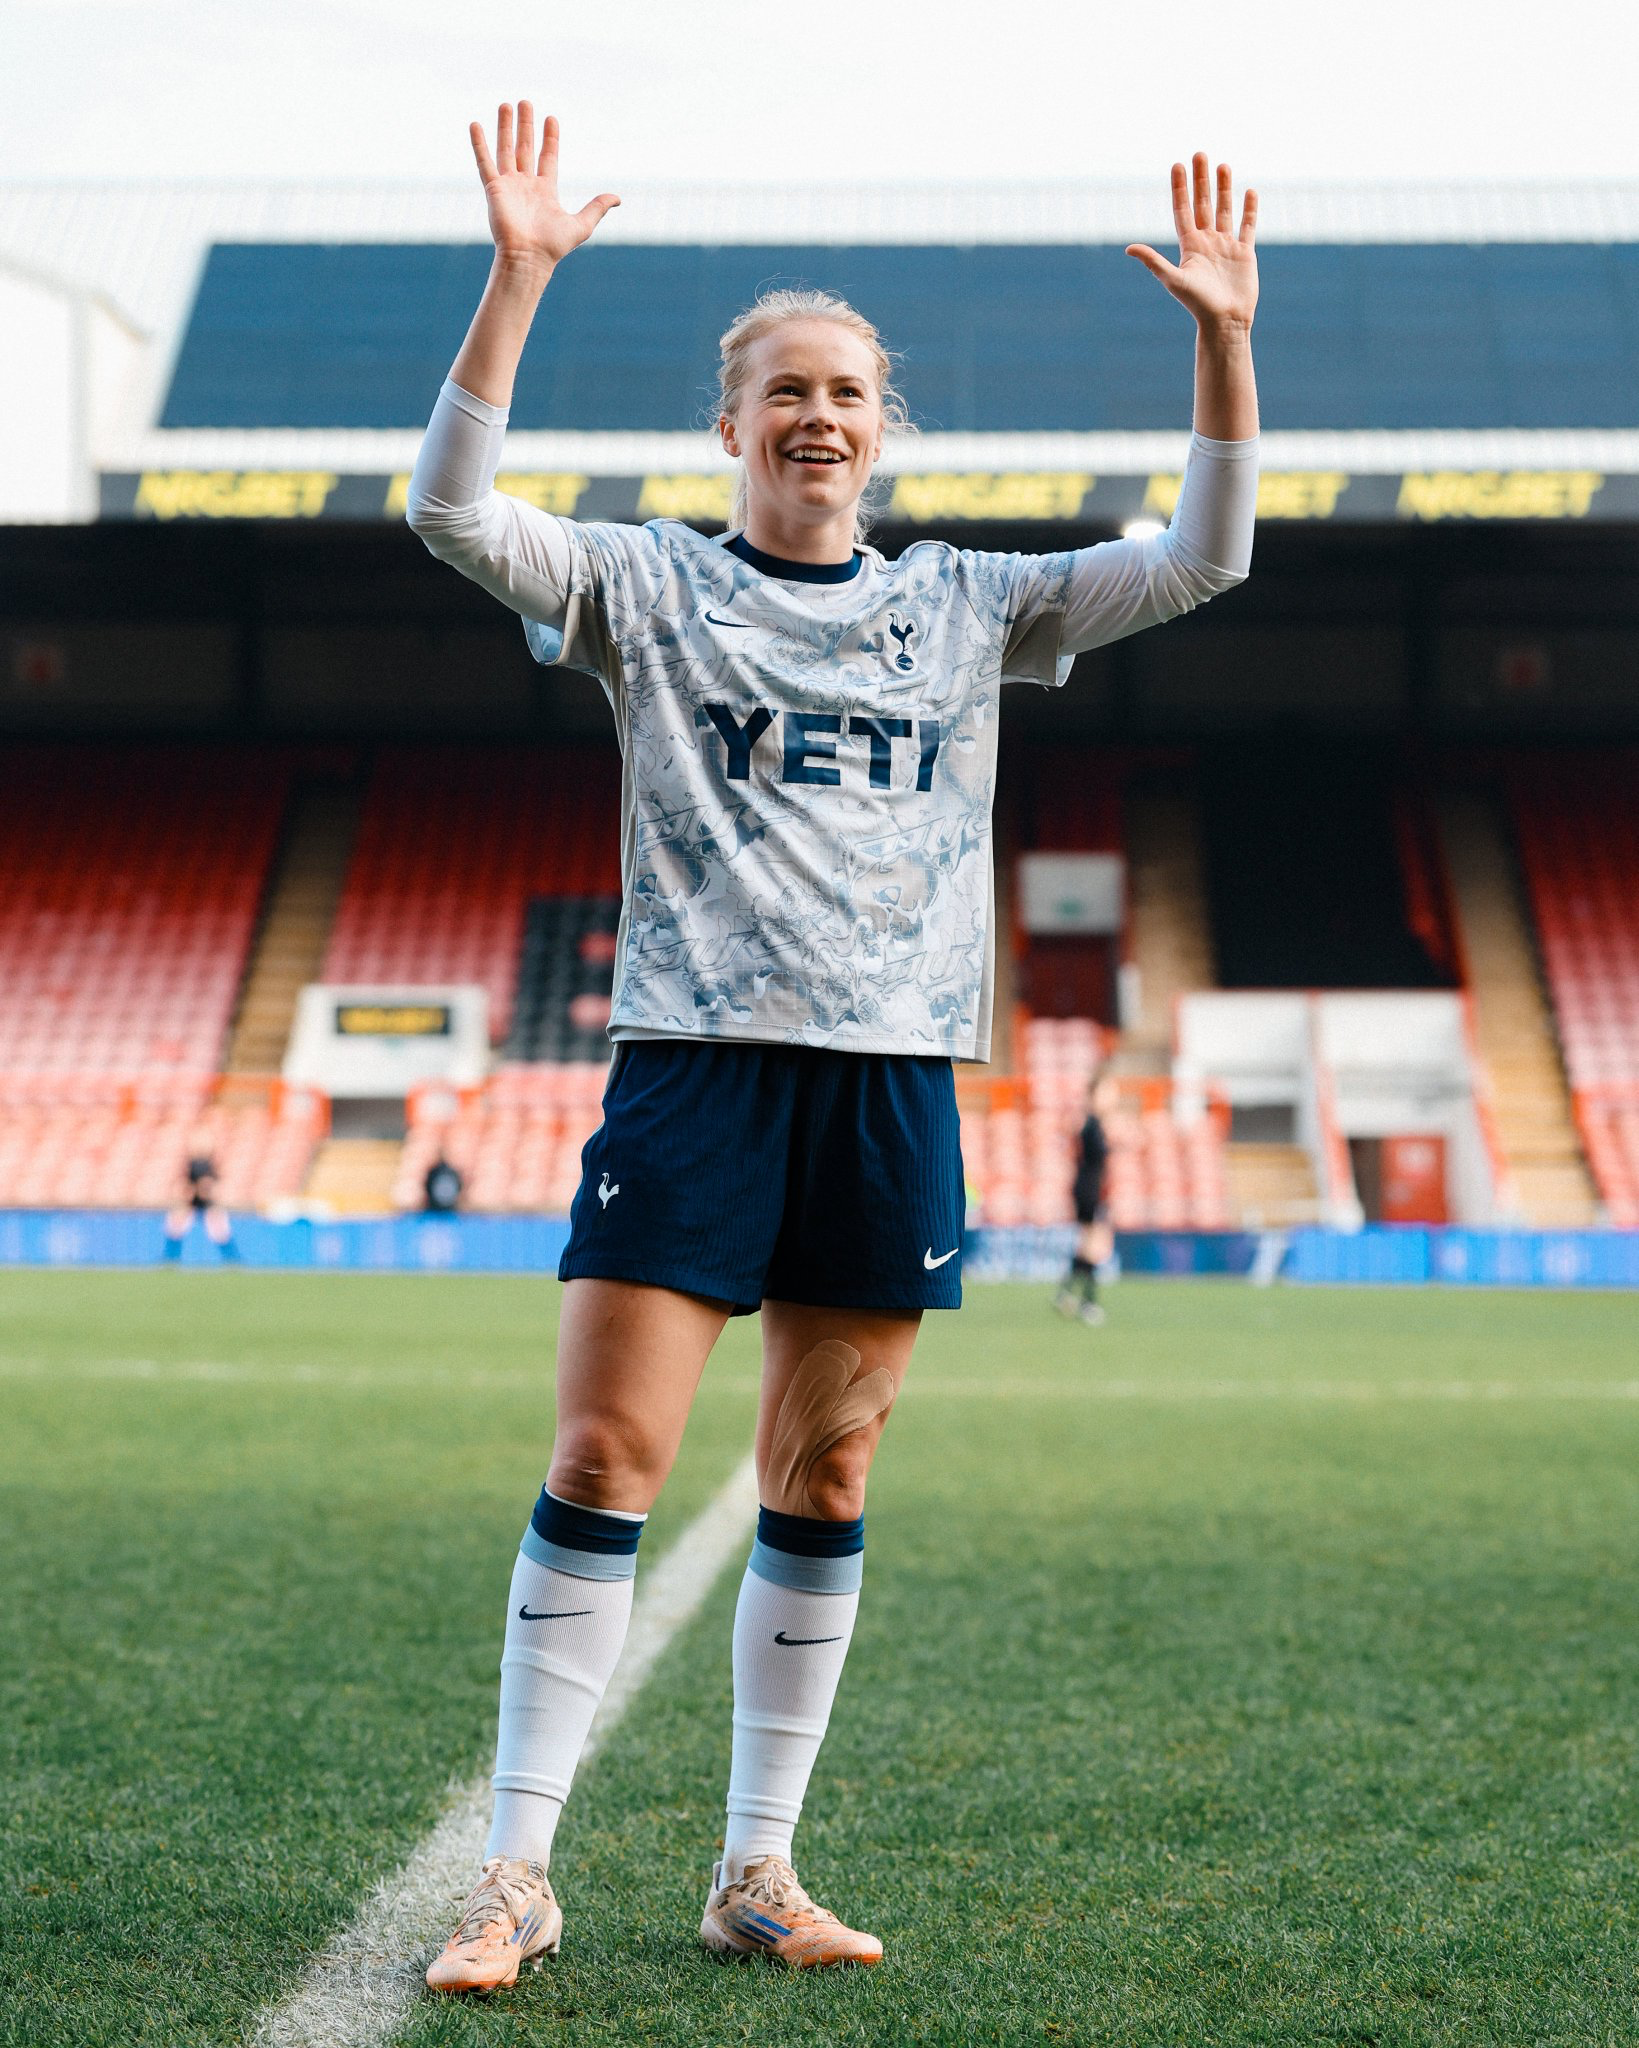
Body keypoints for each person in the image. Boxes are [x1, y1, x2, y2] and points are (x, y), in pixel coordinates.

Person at [405, 101, 1259, 1990]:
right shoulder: (646, 583)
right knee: (609, 1447)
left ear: (883, 428)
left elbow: (1201, 558)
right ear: (730, 424)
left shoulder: (964, 606)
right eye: (784, 387)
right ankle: (514, 1876)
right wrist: (519, 273)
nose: (816, 414)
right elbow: (449, 513)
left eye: (848, 391)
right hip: (695, 1061)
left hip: (885, 1080)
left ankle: (755, 1868)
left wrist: (1220, 336)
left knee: (827, 1474)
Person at [1057, 1070, 1117, 1324]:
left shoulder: (1094, 1123)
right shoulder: (1091, 1124)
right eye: (1108, 1092)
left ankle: (1067, 1294)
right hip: (1089, 1190)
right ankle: (1087, 1303)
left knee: (1087, 1246)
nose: (1113, 1098)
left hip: (1089, 1188)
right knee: (1093, 1246)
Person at [161, 1127, 240, 1262]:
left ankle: (232, 1258)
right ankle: (170, 1257)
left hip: (208, 1204)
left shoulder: (210, 1164)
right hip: (191, 1202)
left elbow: (212, 1185)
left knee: (220, 1232)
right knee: (176, 1227)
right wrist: (189, 1192)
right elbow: (185, 1183)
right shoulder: (192, 1163)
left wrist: (206, 1191)